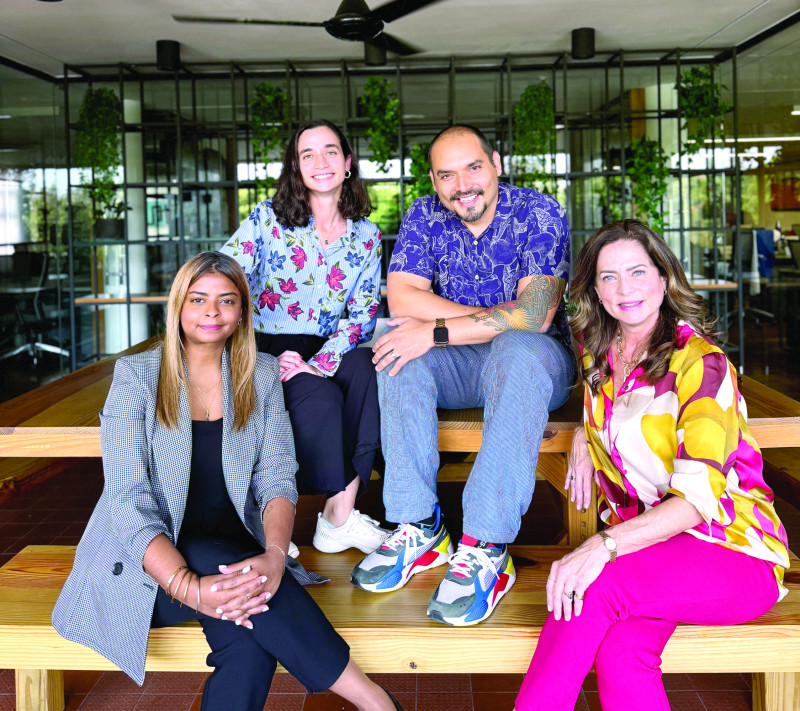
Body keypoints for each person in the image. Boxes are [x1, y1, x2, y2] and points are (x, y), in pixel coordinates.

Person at [52, 252, 404, 711]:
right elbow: (126, 501)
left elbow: (277, 476)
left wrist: (276, 558)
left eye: (226, 300)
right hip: (146, 567)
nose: (212, 312)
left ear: (242, 312)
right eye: (198, 299)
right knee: (224, 566)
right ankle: (376, 702)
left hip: (234, 560)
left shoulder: (260, 374)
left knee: (245, 645)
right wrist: (188, 586)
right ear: (178, 306)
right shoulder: (136, 376)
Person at [515, 220, 789, 710]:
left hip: (733, 552)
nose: (626, 289)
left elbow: (696, 501)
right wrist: (586, 431)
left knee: (589, 583)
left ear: (664, 278)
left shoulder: (700, 364)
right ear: (595, 291)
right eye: (609, 277)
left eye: (638, 272)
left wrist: (602, 545)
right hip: (657, 551)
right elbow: (627, 416)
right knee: (621, 653)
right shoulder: (599, 354)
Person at [351, 124, 576, 626]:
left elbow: (534, 315)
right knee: (393, 345)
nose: (463, 185)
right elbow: (403, 300)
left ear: (495, 163)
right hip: (464, 361)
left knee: (515, 345)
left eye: (473, 167)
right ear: (434, 181)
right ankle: (419, 526)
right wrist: (490, 317)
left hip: (536, 361)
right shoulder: (423, 215)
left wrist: (439, 329)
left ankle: (486, 548)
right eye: (447, 175)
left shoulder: (537, 211)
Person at [221, 119, 390, 556]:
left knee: (369, 372)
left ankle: (339, 516)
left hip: (331, 346)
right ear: (296, 166)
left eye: (331, 151)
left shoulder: (366, 236)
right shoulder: (267, 219)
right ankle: (269, 525)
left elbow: (363, 313)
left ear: (348, 163)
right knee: (321, 398)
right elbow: (224, 278)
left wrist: (319, 362)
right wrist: (250, 357)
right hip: (266, 347)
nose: (320, 163)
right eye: (307, 154)